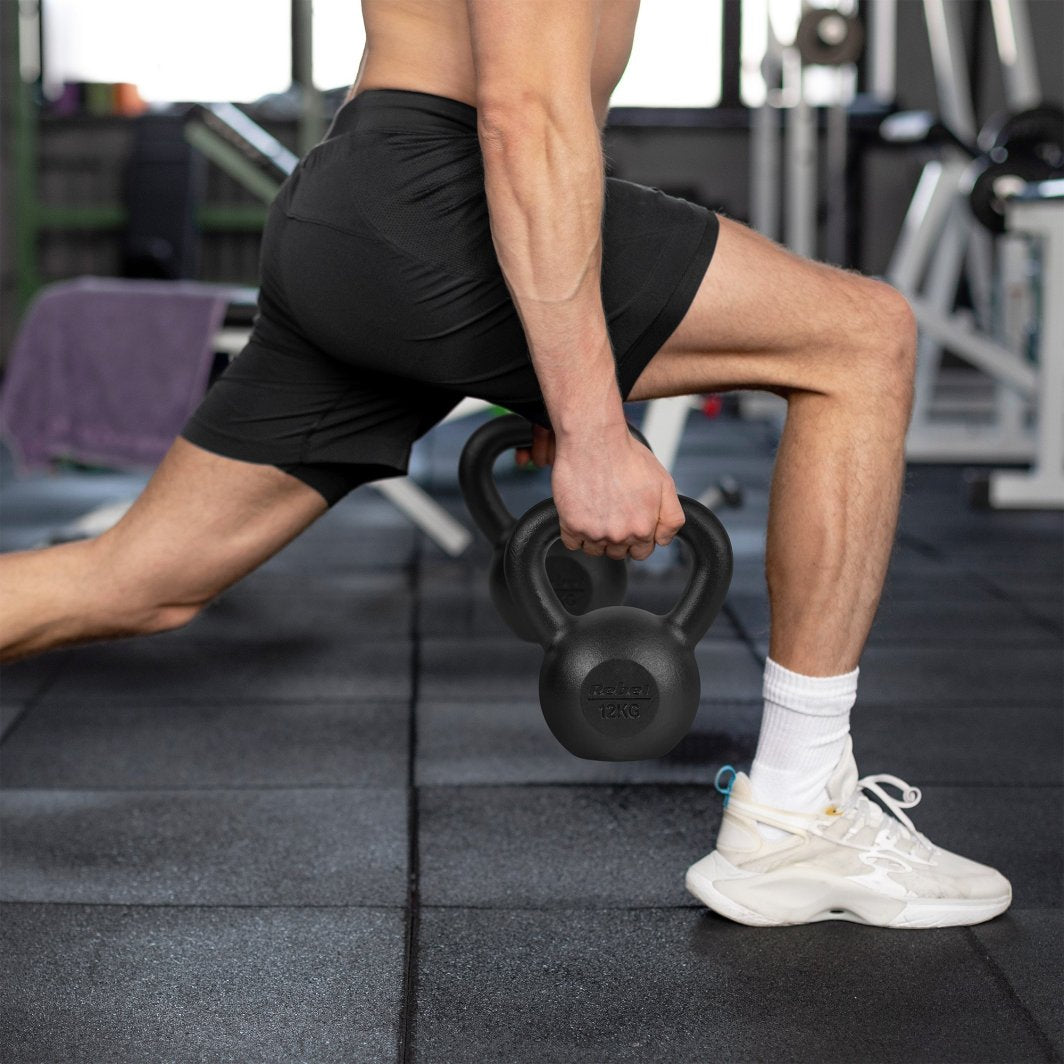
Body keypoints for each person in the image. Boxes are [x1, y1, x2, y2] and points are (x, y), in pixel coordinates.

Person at [0, 0, 1010, 927]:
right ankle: (799, 811)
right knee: (859, 337)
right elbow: (525, 116)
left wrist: (552, 363)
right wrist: (588, 420)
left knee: (138, 578)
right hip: (436, 202)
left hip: (358, 203)